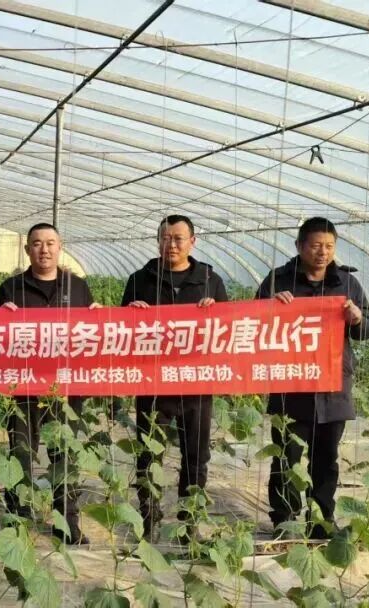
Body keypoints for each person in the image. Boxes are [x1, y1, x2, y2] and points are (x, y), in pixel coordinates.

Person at [256, 217, 369, 540]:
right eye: (315, 246)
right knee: (287, 456)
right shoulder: (278, 280)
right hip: (291, 385)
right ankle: (284, 519)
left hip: (333, 387)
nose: (322, 252)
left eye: (329, 246)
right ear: (299, 246)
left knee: (326, 460)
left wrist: (357, 319)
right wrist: (270, 307)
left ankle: (321, 522)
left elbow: (368, 328)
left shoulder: (346, 283)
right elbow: (252, 322)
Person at [121, 215, 228, 542]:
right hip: (153, 384)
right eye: (166, 238)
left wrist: (215, 312)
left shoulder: (210, 281)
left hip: (196, 384)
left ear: (192, 242)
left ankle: (188, 522)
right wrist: (131, 312)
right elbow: (121, 330)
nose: (172, 244)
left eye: (179, 238)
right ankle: (149, 517)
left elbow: (227, 330)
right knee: (148, 453)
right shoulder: (141, 279)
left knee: (196, 456)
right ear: (158, 241)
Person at [0, 222, 100, 545]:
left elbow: (91, 334)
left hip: (65, 386)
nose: (44, 249)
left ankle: (66, 522)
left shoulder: (78, 288)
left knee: (64, 453)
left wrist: (99, 318)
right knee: (21, 451)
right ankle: (19, 519)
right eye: (37, 243)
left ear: (60, 246)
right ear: (27, 249)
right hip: (23, 386)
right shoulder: (12, 288)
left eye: (50, 243)